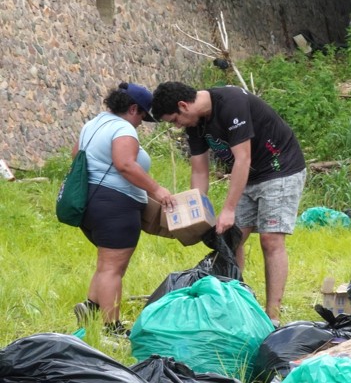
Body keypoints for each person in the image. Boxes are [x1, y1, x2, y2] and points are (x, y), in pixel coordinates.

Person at [151, 82, 307, 326]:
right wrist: (196, 209)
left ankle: (272, 315)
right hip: (249, 175)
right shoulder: (195, 123)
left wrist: (229, 209)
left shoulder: (231, 102)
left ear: (183, 106)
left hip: (280, 169)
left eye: (174, 120)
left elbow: (242, 158)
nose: (177, 126)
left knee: (270, 239)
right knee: (230, 238)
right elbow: (200, 170)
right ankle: (236, 302)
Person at [72, 83, 176, 335]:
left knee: (107, 263)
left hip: (93, 202)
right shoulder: (122, 128)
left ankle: (91, 307)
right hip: (115, 206)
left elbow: (76, 155)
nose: (141, 123)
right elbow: (125, 164)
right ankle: (112, 328)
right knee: (113, 268)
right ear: (133, 109)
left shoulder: (94, 123)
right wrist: (157, 190)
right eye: (142, 116)